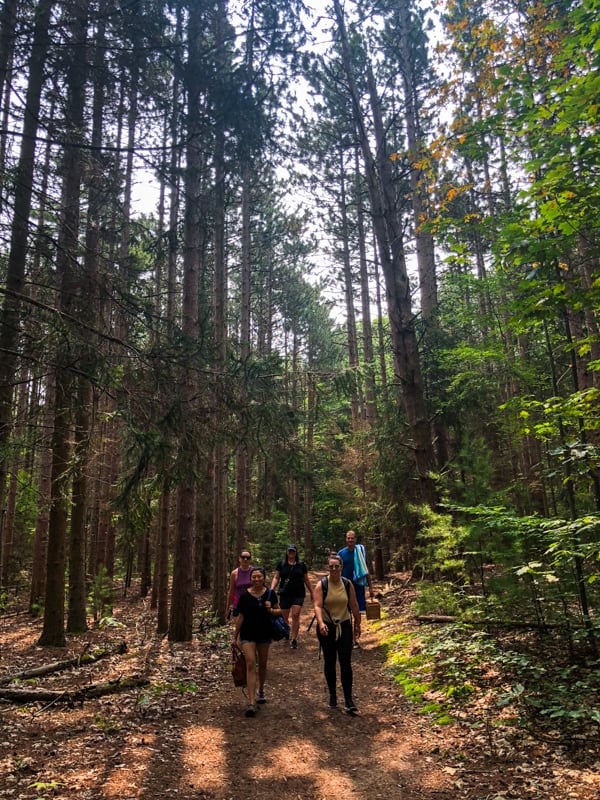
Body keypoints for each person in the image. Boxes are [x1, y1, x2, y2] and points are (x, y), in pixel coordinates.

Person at [313, 553, 361, 714]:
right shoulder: (322, 585)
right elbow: (317, 605)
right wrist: (320, 623)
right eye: (331, 567)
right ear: (328, 568)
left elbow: (354, 605)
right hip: (327, 627)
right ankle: (333, 695)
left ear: (341, 567)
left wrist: (358, 624)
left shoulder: (347, 584)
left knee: (345, 662)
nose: (334, 569)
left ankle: (348, 699)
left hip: (344, 625)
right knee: (330, 661)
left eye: (336, 566)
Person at [233, 566, 282, 717]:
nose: (256, 579)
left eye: (259, 576)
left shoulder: (270, 594)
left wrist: (271, 610)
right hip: (247, 634)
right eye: (253, 577)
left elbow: (279, 610)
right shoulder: (244, 596)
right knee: (250, 663)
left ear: (264, 578)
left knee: (263, 663)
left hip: (264, 633)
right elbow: (241, 616)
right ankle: (251, 702)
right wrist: (235, 637)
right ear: (250, 579)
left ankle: (261, 690)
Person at [270, 544, 313, 649]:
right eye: (289, 551)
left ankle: (294, 639)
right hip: (285, 594)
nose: (291, 553)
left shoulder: (301, 565)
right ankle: (287, 631)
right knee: (284, 617)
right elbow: (276, 577)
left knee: (295, 614)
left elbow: (306, 579)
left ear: (296, 552)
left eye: (293, 551)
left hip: (298, 594)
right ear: (287, 552)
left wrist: (312, 592)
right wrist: (271, 589)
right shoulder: (281, 564)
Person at [338, 529, 375, 614]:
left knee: (359, 610)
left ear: (355, 539)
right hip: (346, 585)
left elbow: (365, 569)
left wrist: (370, 587)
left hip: (359, 585)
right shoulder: (341, 553)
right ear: (346, 539)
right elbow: (337, 571)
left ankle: (358, 622)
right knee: (346, 610)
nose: (350, 540)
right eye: (348, 538)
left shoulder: (360, 552)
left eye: (352, 538)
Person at [226, 549, 253, 618]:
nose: (245, 559)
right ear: (239, 559)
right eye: (243, 557)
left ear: (250, 559)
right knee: (238, 624)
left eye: (248, 558)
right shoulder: (234, 573)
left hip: (252, 604)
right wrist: (228, 607)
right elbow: (231, 591)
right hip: (238, 604)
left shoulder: (254, 572)